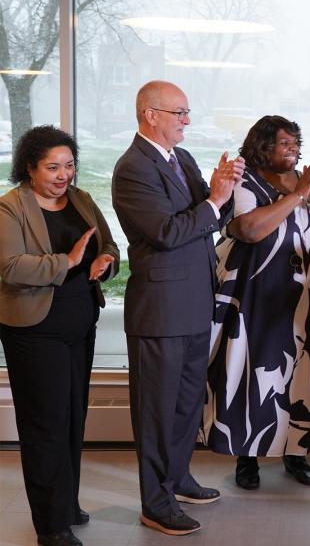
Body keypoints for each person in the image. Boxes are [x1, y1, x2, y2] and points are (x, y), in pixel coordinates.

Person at [111, 80, 243, 536]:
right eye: (179, 113)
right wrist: (214, 201)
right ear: (150, 115)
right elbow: (166, 233)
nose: (187, 120)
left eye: (187, 112)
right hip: (160, 310)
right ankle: (155, 502)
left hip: (193, 303)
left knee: (188, 401)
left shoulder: (181, 159)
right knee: (156, 410)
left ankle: (179, 477)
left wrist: (224, 190)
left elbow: (209, 220)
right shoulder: (132, 168)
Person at [202, 115, 310, 490]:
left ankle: (296, 453)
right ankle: (247, 459)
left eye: (296, 143)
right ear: (262, 145)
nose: (293, 150)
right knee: (250, 375)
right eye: (284, 143)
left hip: (304, 300)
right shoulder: (243, 179)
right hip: (253, 300)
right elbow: (249, 228)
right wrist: (296, 197)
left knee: (301, 376)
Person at [0, 125, 119, 546]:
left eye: (68, 165)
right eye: (52, 167)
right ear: (29, 167)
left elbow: (109, 245)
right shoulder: (10, 207)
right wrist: (65, 261)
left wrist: (105, 259)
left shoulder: (82, 200)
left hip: (79, 325)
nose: (62, 174)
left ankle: (65, 504)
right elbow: (11, 268)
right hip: (34, 332)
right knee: (45, 425)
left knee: (71, 419)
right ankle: (50, 526)